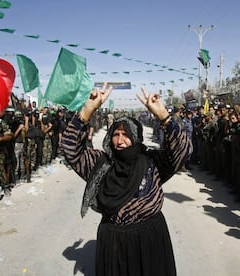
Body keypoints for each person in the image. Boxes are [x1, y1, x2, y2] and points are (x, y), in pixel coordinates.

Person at [61, 85, 192, 276]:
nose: (120, 140)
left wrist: (163, 116)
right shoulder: (100, 164)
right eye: (116, 134)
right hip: (113, 243)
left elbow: (183, 151)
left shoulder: (152, 162)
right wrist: (87, 110)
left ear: (136, 138)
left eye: (126, 135)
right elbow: (70, 149)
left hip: (150, 241)